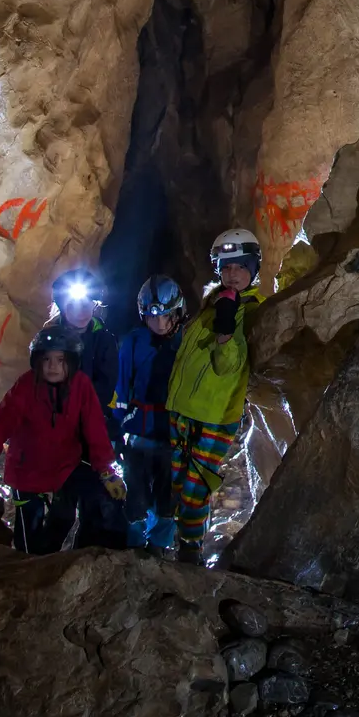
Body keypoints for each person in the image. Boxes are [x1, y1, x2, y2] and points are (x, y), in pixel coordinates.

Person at [0, 329, 124, 554]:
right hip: (27, 469)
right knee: (29, 536)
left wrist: (106, 470)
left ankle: (64, 565)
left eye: (60, 360)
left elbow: (94, 429)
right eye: (46, 359)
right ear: (36, 361)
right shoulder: (27, 386)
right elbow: (3, 423)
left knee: (64, 518)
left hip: (64, 466)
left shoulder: (80, 386)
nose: (53, 366)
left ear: (72, 362)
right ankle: (28, 573)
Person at [165, 228, 263, 563]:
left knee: (194, 488)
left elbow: (228, 366)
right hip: (183, 410)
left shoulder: (251, 310)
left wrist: (226, 331)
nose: (233, 274)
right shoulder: (213, 303)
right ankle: (186, 537)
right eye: (227, 267)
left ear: (253, 269)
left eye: (241, 266)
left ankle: (190, 552)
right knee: (180, 484)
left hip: (214, 415)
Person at [32, 267, 128, 546]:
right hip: (57, 433)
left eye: (88, 302)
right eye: (74, 303)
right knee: (60, 505)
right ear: (62, 305)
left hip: (93, 432)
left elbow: (105, 386)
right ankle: (42, 561)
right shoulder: (47, 340)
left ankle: (84, 562)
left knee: (94, 504)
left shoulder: (104, 340)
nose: (82, 310)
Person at [117, 275, 185, 549]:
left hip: (172, 433)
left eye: (166, 316)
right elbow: (122, 388)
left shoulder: (185, 342)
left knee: (167, 496)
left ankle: (159, 548)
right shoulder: (134, 342)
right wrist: (117, 429)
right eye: (152, 317)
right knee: (135, 493)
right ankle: (134, 547)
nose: (159, 323)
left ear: (177, 313)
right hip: (140, 433)